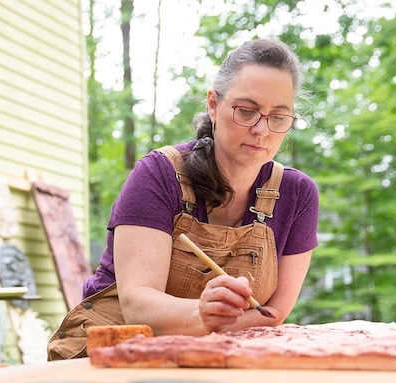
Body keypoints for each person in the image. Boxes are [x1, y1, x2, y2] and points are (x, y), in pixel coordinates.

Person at [48, 38, 319, 361]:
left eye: (278, 117)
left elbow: (273, 313)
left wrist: (207, 325)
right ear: (213, 105)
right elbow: (137, 306)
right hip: (110, 354)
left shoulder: (297, 194)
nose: (261, 129)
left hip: (214, 359)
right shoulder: (159, 174)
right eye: (246, 111)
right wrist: (203, 313)